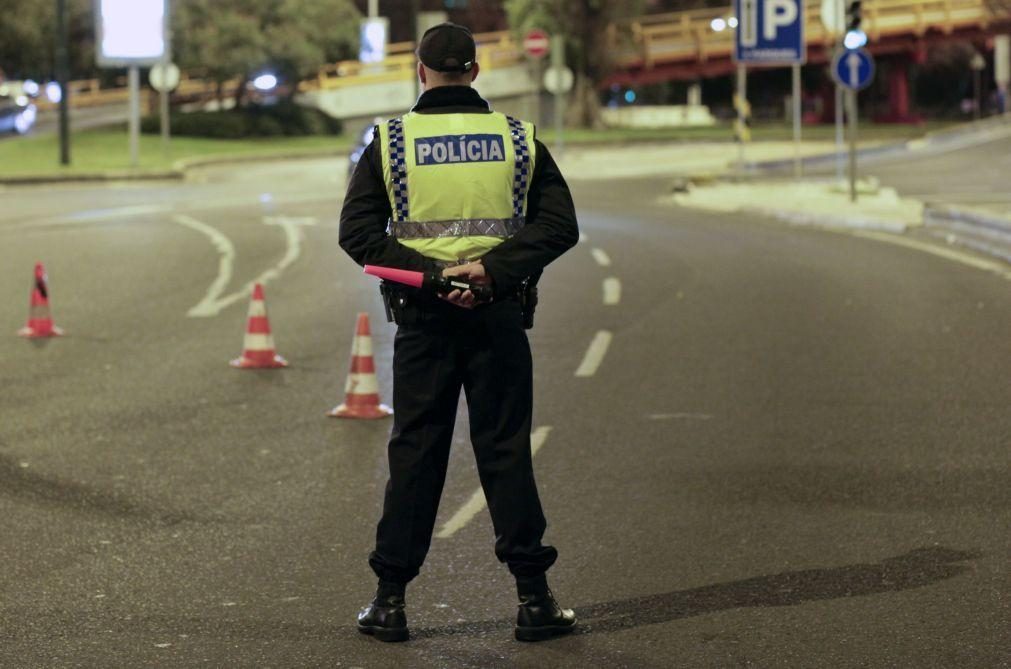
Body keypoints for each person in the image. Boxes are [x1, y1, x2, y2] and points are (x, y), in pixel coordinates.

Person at [338, 22, 579, 643]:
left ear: (420, 72)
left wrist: (431, 277)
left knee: (416, 453)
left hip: (423, 320)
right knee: (505, 451)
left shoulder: (390, 141)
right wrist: (492, 271)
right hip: (497, 316)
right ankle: (534, 600)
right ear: (475, 72)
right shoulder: (517, 138)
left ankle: (390, 602)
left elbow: (360, 236)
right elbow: (560, 227)